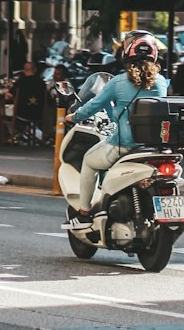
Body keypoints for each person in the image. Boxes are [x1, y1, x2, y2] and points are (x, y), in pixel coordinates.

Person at [71, 31, 168, 219]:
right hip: (154, 146)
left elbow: (93, 105)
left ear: (127, 55)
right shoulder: (162, 82)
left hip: (125, 145)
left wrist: (74, 117)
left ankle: (84, 210)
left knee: (89, 162)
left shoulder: (118, 82)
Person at [10, 59, 46, 141]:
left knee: (5, 113)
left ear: (24, 71)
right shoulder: (42, 83)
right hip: (38, 113)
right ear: (35, 70)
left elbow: (8, 95)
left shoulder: (20, 82)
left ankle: (15, 135)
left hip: (22, 113)